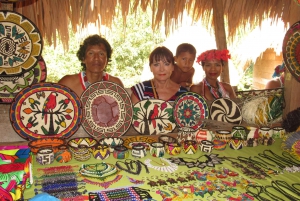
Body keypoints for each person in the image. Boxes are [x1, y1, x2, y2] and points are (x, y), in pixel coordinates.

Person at [58, 34, 124, 97]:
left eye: (101, 54)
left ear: (106, 60)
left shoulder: (116, 85)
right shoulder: (67, 84)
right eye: (91, 53)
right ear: (83, 58)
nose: (96, 58)